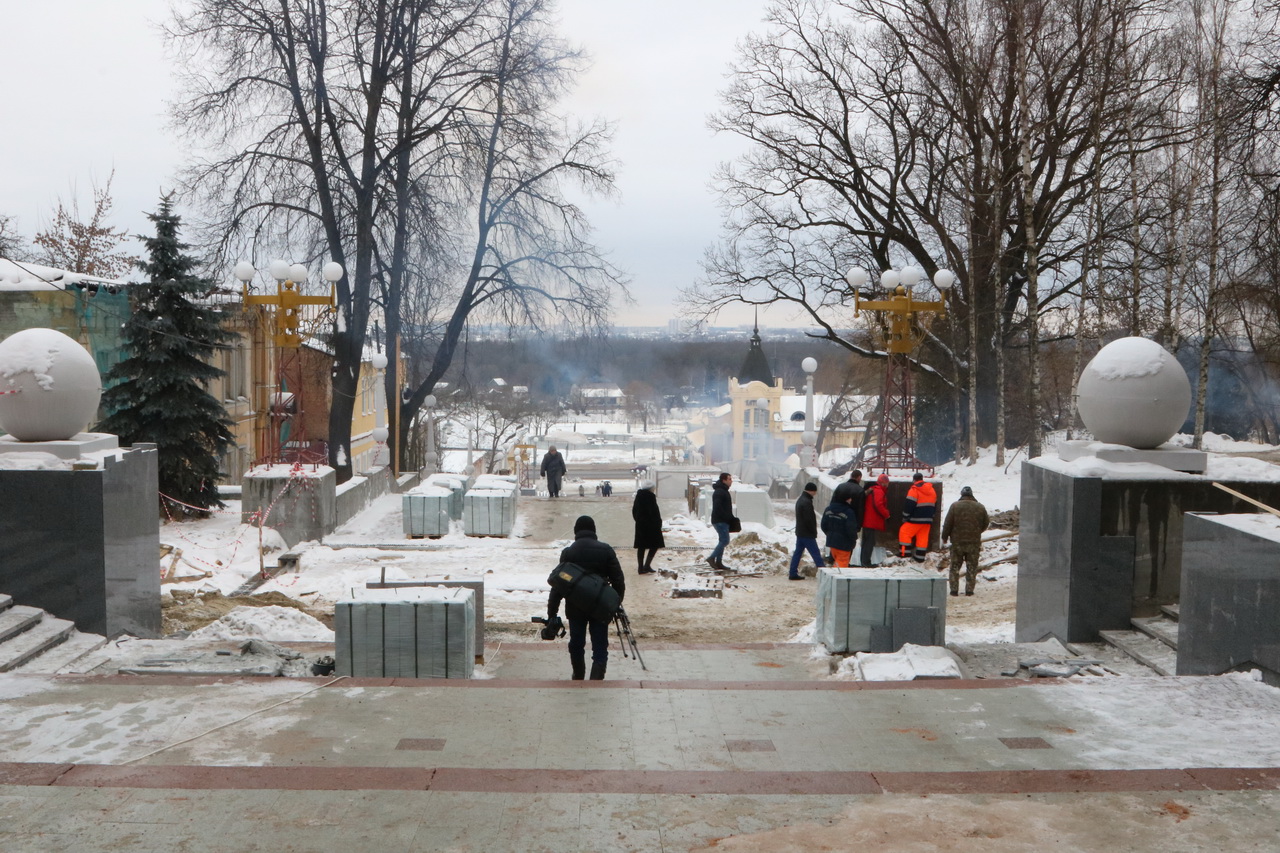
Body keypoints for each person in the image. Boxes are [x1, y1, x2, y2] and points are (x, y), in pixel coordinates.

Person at [546, 515, 625, 680]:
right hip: (600, 606)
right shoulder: (606, 550)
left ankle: (578, 675)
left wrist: (552, 612)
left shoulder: (568, 552)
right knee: (600, 644)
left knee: (576, 642)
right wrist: (614, 604)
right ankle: (597, 677)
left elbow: (559, 584)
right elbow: (618, 581)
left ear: (576, 532)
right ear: (594, 531)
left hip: (575, 606)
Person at [941, 486, 990, 597]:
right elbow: (986, 523)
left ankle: (954, 590)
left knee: (954, 566)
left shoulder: (954, 506)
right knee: (972, 567)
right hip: (973, 542)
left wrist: (945, 537)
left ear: (961, 495)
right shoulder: (980, 507)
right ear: (972, 495)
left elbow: (948, 523)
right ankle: (969, 590)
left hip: (957, 542)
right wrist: (977, 532)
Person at [898, 472, 937, 562]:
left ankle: (905, 555)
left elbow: (909, 505)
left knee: (904, 532)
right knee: (922, 538)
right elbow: (935, 505)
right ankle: (920, 558)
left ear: (914, 480)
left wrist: (905, 516)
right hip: (928, 520)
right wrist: (932, 516)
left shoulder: (914, 490)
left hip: (915, 519)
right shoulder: (932, 490)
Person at [788, 482, 822, 580]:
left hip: (800, 532)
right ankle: (824, 573)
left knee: (798, 553)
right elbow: (809, 519)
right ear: (811, 491)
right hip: (807, 533)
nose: (815, 494)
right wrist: (813, 532)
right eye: (815, 492)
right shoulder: (806, 502)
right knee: (816, 554)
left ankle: (792, 573)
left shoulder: (801, 500)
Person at [632, 480, 664, 575]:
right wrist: (658, 523)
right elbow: (654, 513)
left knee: (641, 546)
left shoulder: (638, 497)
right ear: (651, 488)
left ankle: (641, 568)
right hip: (651, 526)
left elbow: (634, 511)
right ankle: (646, 565)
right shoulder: (650, 497)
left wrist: (638, 520)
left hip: (640, 525)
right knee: (655, 545)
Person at [705, 472, 736, 571]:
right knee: (725, 540)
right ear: (724, 480)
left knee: (722, 540)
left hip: (722, 520)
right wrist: (727, 517)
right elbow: (718, 507)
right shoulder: (720, 492)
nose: (731, 481)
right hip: (720, 521)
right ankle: (711, 558)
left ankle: (719, 562)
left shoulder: (723, 490)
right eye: (729, 479)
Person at [820, 491, 859, 568]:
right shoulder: (849, 512)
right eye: (849, 498)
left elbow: (823, 525)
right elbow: (851, 528)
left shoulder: (828, 509)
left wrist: (830, 534)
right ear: (846, 499)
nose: (851, 500)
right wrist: (854, 539)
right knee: (841, 566)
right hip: (844, 544)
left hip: (832, 543)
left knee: (837, 562)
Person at [860, 473, 890, 567]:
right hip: (872, 520)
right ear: (884, 483)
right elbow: (878, 505)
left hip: (867, 520)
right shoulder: (879, 491)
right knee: (869, 542)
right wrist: (886, 514)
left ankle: (864, 562)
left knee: (866, 542)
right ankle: (866, 562)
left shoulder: (874, 489)